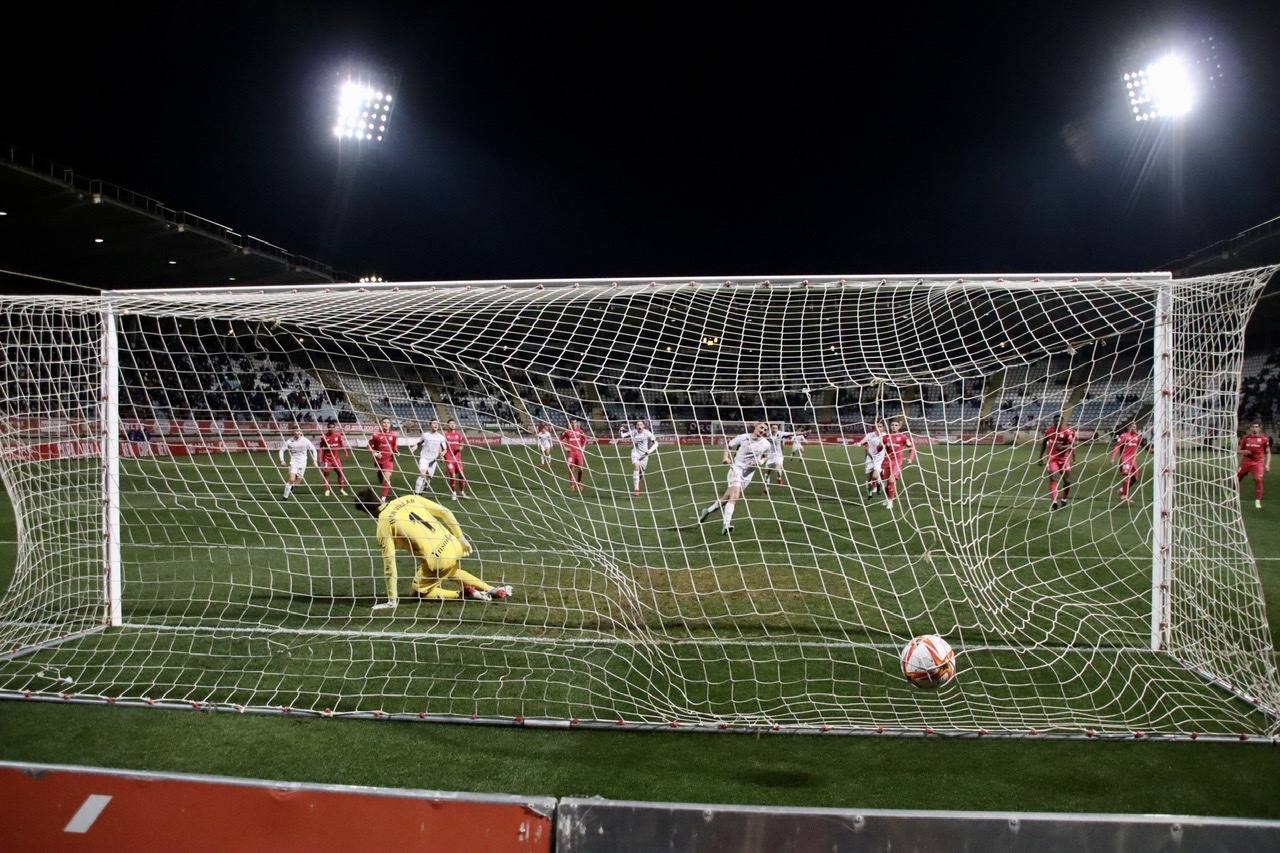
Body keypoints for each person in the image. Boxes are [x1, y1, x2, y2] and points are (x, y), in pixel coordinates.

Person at [355, 489, 512, 611]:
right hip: (453, 545)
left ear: (368, 512)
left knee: (417, 593)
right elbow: (445, 512)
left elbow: (390, 564)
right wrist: (461, 538)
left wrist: (392, 600)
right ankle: (493, 589)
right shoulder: (408, 498)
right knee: (452, 572)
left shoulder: (383, 525)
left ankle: (463, 594)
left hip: (437, 560)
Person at [697, 422, 771, 534]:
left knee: (727, 498)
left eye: (765, 430)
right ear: (755, 427)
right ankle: (726, 525)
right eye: (761, 427)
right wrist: (726, 457)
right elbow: (729, 445)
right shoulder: (743, 437)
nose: (762, 430)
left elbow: (766, 456)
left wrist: (760, 461)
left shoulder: (766, 444)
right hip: (736, 469)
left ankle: (707, 511)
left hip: (748, 475)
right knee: (735, 496)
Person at [1038, 416, 1076, 511]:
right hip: (1052, 459)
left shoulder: (1067, 432)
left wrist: (1063, 448)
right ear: (1053, 421)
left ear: (1062, 421)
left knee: (1067, 481)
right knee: (1053, 478)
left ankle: (1064, 498)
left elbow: (1072, 445)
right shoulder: (1049, 431)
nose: (1057, 422)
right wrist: (1040, 457)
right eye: (1055, 420)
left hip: (1064, 460)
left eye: (1059, 420)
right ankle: (1054, 501)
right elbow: (1044, 443)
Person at [882, 419, 917, 510]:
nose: (894, 426)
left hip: (897, 462)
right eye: (892, 425)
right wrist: (885, 445)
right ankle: (888, 498)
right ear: (890, 426)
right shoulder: (885, 437)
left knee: (891, 480)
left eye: (896, 425)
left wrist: (910, 458)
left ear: (899, 427)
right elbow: (879, 449)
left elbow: (912, 448)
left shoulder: (903, 437)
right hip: (886, 461)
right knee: (885, 484)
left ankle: (890, 502)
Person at [1237, 422, 1272, 510]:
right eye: (1252, 427)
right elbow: (1237, 450)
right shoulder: (1246, 438)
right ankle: (1231, 494)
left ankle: (1257, 501)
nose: (1254, 428)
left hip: (1258, 462)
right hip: (1246, 461)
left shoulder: (1264, 439)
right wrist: (1243, 452)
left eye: (1256, 427)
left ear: (1259, 428)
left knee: (1258, 479)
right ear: (1250, 428)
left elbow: (1268, 452)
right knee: (1236, 478)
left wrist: (1267, 464)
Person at [278, 424, 318, 499]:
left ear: (300, 432)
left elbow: (314, 450)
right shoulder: (290, 441)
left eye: (298, 431)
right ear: (292, 432)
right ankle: (285, 497)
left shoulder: (305, 440)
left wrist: (315, 460)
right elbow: (281, 450)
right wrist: (282, 460)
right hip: (294, 462)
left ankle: (291, 487)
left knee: (297, 484)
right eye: (295, 431)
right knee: (291, 479)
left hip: (303, 463)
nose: (297, 432)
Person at [619, 419, 658, 495]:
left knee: (640, 473)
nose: (639, 426)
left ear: (643, 426)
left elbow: (656, 443)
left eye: (641, 424)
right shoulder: (634, 432)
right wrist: (621, 430)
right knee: (636, 467)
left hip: (644, 455)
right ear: (636, 426)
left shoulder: (648, 433)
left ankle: (638, 484)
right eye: (638, 425)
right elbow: (623, 436)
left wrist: (649, 451)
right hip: (635, 453)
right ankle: (636, 490)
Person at [1109, 422, 1144, 504]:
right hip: (1125, 459)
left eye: (1135, 427)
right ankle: (1124, 496)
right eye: (1132, 427)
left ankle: (1122, 490)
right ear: (1129, 427)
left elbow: (1143, 444)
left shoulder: (1137, 437)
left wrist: (1151, 450)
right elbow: (1117, 446)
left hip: (1133, 460)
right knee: (1127, 477)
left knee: (1135, 478)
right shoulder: (1124, 436)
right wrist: (1113, 458)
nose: (1134, 428)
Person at [368, 417, 399, 506]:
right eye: (384, 422)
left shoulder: (393, 435)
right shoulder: (375, 435)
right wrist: (375, 453)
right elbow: (369, 446)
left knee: (386, 479)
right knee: (381, 478)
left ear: (390, 424)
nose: (386, 424)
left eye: (388, 422)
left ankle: (383, 499)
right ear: (381, 424)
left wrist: (396, 451)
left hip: (388, 460)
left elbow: (394, 446)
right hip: (378, 460)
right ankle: (386, 487)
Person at [412, 419, 448, 496]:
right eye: (434, 423)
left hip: (433, 461)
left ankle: (420, 492)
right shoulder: (425, 435)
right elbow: (419, 443)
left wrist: (442, 455)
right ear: (430, 425)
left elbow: (445, 449)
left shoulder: (441, 437)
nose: (436, 425)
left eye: (437, 424)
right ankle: (416, 494)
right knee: (422, 475)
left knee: (428, 478)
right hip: (424, 458)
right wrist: (414, 448)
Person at [317, 420, 349, 497]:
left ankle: (341, 490)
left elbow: (342, 444)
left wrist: (345, 451)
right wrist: (320, 458)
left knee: (340, 473)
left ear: (335, 428)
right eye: (330, 427)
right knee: (326, 474)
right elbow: (321, 448)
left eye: (332, 427)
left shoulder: (338, 436)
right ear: (327, 428)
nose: (331, 428)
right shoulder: (324, 437)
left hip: (336, 459)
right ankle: (327, 490)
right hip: (327, 459)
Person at [858, 422, 887, 496]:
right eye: (877, 426)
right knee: (869, 478)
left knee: (875, 476)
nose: (878, 428)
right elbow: (861, 442)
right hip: (870, 458)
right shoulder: (870, 435)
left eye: (880, 426)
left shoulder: (885, 435)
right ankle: (876, 484)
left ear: (883, 428)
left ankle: (878, 483)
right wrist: (859, 443)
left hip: (879, 459)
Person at [561, 418, 589, 492]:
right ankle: (572, 485)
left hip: (579, 452)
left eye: (575, 422)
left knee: (581, 469)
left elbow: (585, 439)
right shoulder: (566, 432)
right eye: (572, 423)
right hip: (571, 453)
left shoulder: (580, 431)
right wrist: (565, 447)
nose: (573, 424)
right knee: (571, 469)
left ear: (577, 423)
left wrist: (583, 447)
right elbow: (560, 440)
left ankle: (579, 483)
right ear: (570, 423)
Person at [442, 418, 468, 500]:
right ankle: (453, 493)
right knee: (452, 476)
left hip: (458, 459)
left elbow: (462, 445)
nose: (452, 425)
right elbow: (442, 447)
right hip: (449, 458)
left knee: (462, 475)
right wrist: (442, 456)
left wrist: (460, 448)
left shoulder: (459, 435)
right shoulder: (444, 436)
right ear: (447, 425)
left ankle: (462, 492)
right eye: (450, 423)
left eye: (454, 423)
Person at [762, 423, 792, 487]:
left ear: (777, 429)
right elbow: (760, 433)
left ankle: (779, 478)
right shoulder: (768, 434)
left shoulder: (780, 434)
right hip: (770, 456)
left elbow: (791, 433)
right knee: (767, 473)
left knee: (777, 469)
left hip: (779, 455)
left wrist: (803, 432)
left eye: (776, 428)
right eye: (773, 428)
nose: (774, 429)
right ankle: (766, 488)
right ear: (771, 429)